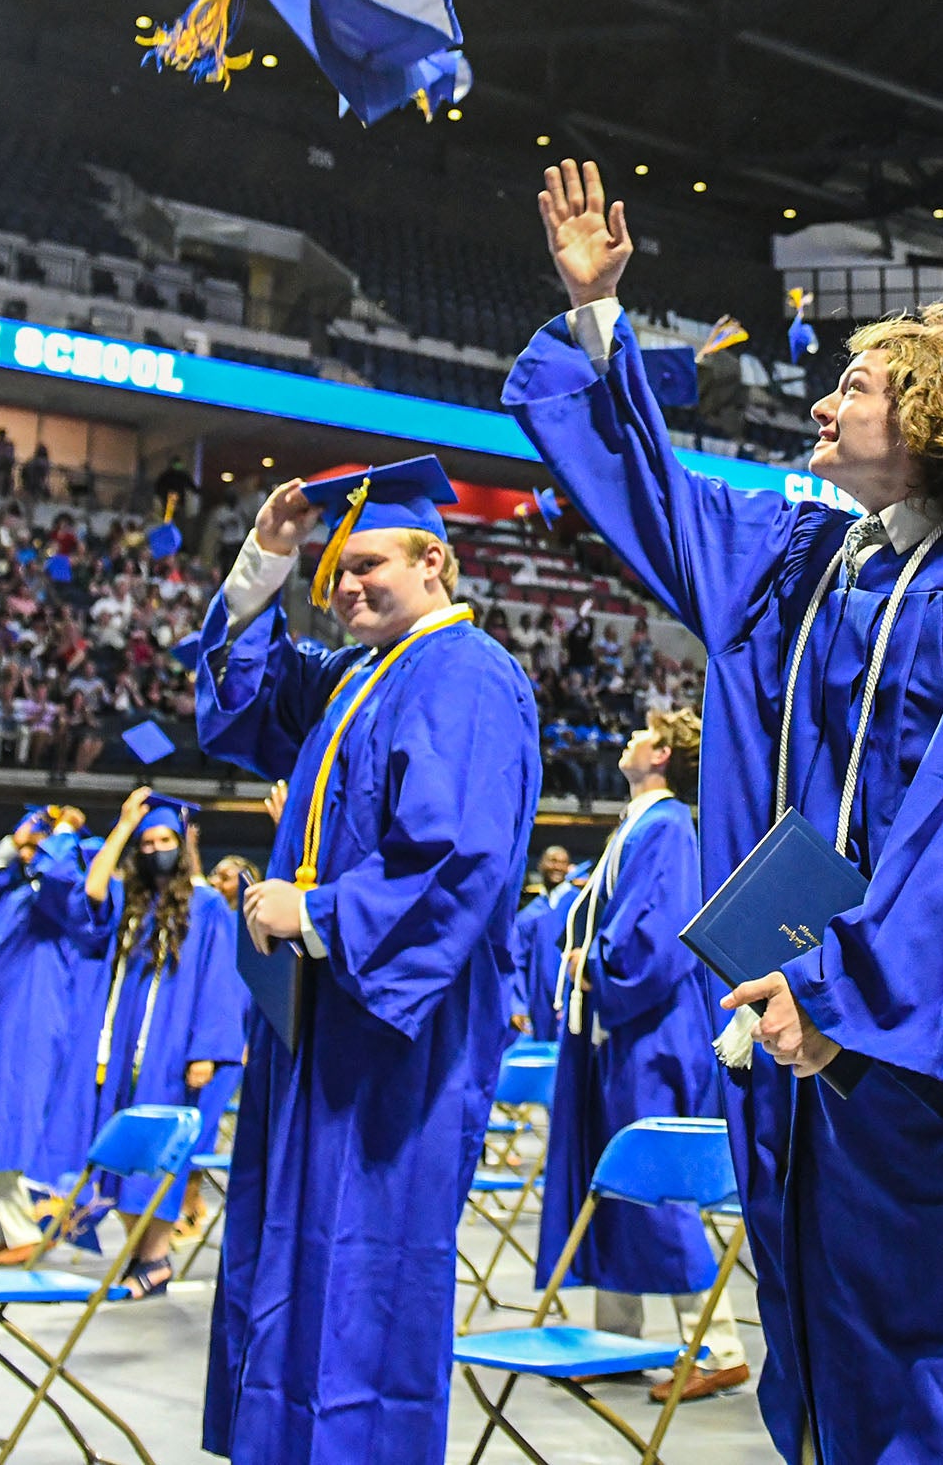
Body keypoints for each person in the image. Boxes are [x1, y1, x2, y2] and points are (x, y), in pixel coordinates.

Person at [506, 160, 943, 1463]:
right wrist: (601, 320)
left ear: (939, 418)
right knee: (827, 1375)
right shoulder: (810, 566)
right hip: (814, 1058)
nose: (825, 403)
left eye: (860, 384)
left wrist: (842, 994)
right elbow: (659, 502)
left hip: (926, 1067)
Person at [194, 452, 538, 1460]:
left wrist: (315, 912)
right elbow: (244, 708)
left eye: (369, 564)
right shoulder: (361, 673)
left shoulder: (464, 673)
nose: (345, 586)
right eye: (334, 571)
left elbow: (457, 854)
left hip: (395, 1030)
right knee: (298, 1271)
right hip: (324, 1025)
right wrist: (266, 560)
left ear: (435, 558)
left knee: (364, 1287)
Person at [535, 707, 746, 1402]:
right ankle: (619, 1340)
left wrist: (597, 962)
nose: (624, 737)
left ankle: (719, 1343)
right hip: (623, 1031)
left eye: (640, 732)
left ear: (661, 754)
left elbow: (660, 929)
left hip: (650, 1032)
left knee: (657, 1184)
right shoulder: (638, 824)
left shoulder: (669, 826)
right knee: (617, 1179)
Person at [68, 787, 244, 1295]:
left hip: (182, 1047)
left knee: (166, 1152)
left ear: (182, 842)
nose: (154, 849)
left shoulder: (208, 904)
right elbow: (92, 892)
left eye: (164, 839)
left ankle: (157, 1255)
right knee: (123, 1153)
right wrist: (123, 824)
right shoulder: (134, 897)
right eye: (146, 843)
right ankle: (141, 1251)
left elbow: (220, 977)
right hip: (128, 1047)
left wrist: (206, 1050)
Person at [0, 805, 101, 1262]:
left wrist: (61, 833)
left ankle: (31, 1229)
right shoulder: (18, 888)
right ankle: (10, 1228)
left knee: (18, 1118)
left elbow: (60, 873)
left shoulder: (62, 892)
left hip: (32, 1015)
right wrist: (11, 844)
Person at [508, 843, 581, 1039]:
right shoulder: (529, 915)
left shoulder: (580, 905)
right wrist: (518, 1005)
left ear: (569, 868)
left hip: (573, 996)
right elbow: (517, 962)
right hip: (538, 1000)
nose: (557, 866)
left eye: (562, 862)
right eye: (552, 861)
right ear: (540, 865)